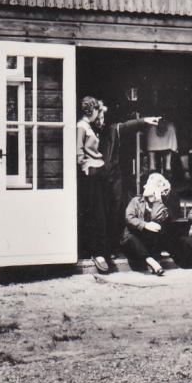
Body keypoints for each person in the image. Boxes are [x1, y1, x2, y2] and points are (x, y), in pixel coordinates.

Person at [98, 104, 159, 256]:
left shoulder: (111, 129)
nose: (102, 120)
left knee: (115, 209)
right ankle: (102, 250)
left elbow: (125, 126)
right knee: (101, 213)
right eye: (100, 117)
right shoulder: (88, 129)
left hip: (113, 176)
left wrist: (144, 121)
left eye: (103, 117)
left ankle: (111, 248)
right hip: (98, 177)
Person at [77, 95, 113, 273]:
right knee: (94, 212)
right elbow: (79, 152)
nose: (99, 114)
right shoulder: (82, 127)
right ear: (91, 110)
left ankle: (102, 251)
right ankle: (95, 251)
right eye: (97, 111)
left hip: (98, 172)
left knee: (101, 211)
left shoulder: (90, 127)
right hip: (89, 175)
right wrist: (86, 167)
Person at [120, 172, 171, 276]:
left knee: (158, 232)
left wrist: (157, 202)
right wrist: (145, 225)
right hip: (133, 241)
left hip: (149, 242)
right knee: (129, 238)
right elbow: (129, 218)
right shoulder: (136, 201)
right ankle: (151, 261)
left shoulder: (162, 206)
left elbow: (156, 218)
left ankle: (153, 259)